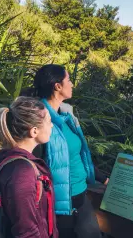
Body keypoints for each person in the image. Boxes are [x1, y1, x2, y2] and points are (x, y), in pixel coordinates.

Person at [32, 64, 108, 238]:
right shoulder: (40, 121)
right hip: (58, 204)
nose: (72, 84)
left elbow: (79, 155)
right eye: (69, 80)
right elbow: (35, 165)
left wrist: (103, 178)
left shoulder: (67, 116)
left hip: (81, 196)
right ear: (58, 86)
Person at [0, 96, 57, 237]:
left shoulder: (6, 159)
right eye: (49, 121)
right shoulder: (22, 173)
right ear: (34, 131)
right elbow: (26, 231)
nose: (52, 125)